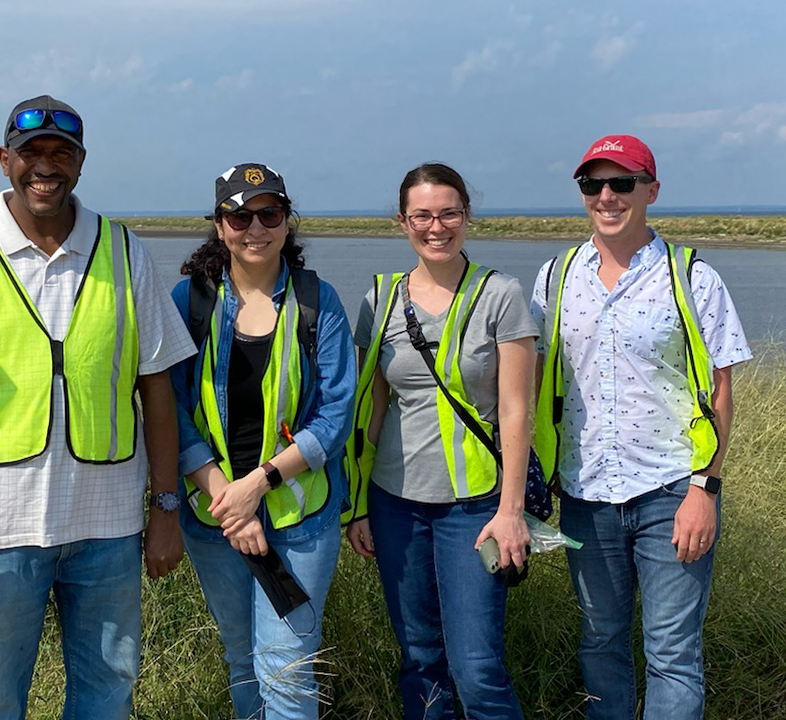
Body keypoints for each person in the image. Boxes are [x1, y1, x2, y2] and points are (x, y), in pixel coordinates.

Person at [0, 95, 196, 720]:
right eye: (30, 153)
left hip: (107, 532)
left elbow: (157, 390)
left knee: (107, 699)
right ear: (5, 161)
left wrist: (167, 510)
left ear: (81, 163)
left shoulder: (125, 253)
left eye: (61, 153)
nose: (44, 167)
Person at [531, 135, 752, 720]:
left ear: (651, 191)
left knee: (672, 653)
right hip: (585, 494)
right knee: (600, 642)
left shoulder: (692, 277)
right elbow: (530, 383)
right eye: (593, 184)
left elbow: (721, 390)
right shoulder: (554, 279)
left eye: (622, 183)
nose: (607, 196)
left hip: (674, 489)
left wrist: (704, 488)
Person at [344, 163, 535, 720]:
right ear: (403, 221)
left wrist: (511, 511)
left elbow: (517, 412)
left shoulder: (501, 295)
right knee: (421, 658)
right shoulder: (380, 298)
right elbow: (370, 410)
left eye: (449, 212)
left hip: (476, 507)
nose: (436, 226)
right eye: (422, 215)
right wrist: (357, 507)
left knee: (477, 666)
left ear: (467, 216)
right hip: (395, 504)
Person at [169, 163, 356, 720]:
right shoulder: (191, 301)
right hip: (217, 516)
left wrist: (260, 483)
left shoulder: (317, 301)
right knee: (243, 659)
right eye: (240, 215)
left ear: (287, 220)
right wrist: (229, 497)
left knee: (288, 667)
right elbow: (171, 407)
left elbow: (336, 412)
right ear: (219, 225)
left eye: (268, 214)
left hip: (301, 518)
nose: (255, 228)